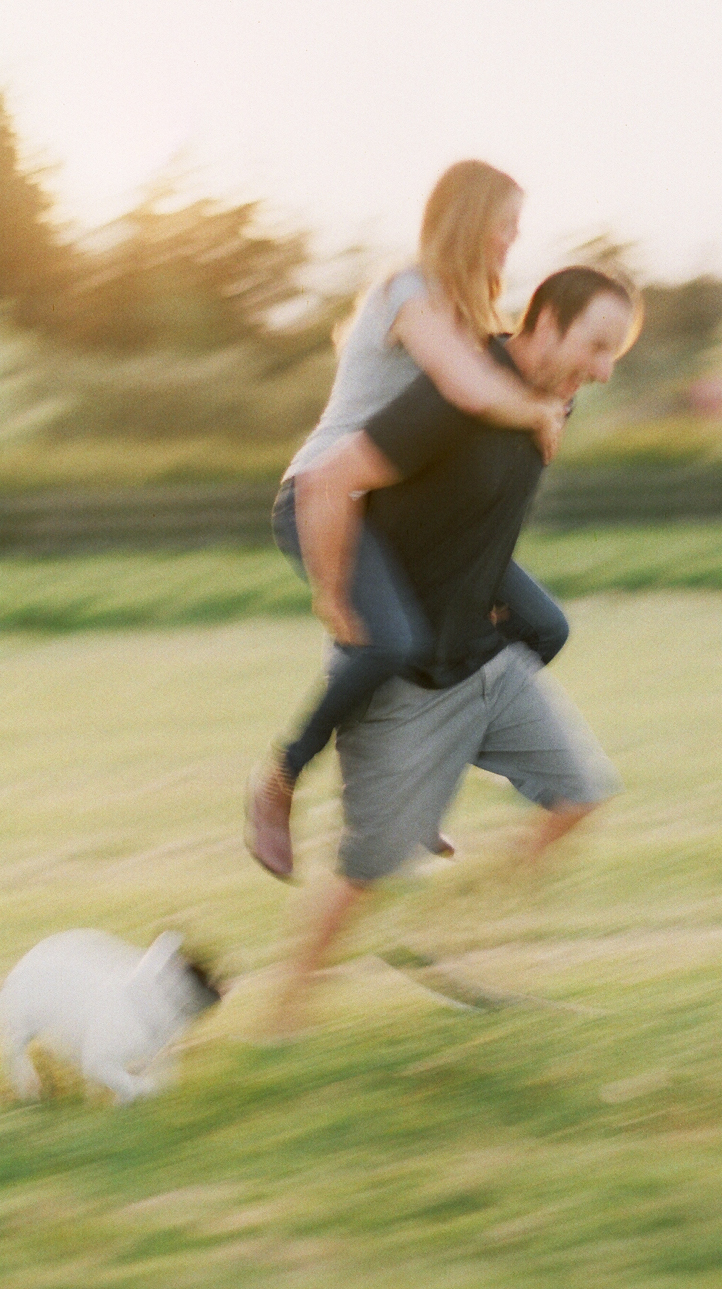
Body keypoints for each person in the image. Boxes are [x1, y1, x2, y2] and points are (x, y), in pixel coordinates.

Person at [266, 265, 641, 1039]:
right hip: (409, 674)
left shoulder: (552, 402)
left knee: (581, 794)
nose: (603, 371)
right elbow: (330, 482)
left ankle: (454, 932)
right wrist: (341, 606)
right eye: (596, 346)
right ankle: (280, 1017)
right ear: (544, 322)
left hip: (486, 657)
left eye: (616, 356)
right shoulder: (453, 393)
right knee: (365, 871)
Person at [247, 160, 573, 880]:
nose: (511, 244)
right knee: (389, 644)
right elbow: (467, 387)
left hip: (402, 517)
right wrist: (535, 409)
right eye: (505, 229)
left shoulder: (470, 316)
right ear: (470, 223)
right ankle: (280, 779)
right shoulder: (410, 291)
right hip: (325, 500)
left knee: (542, 628)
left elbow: (497, 391)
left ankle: (421, 777)